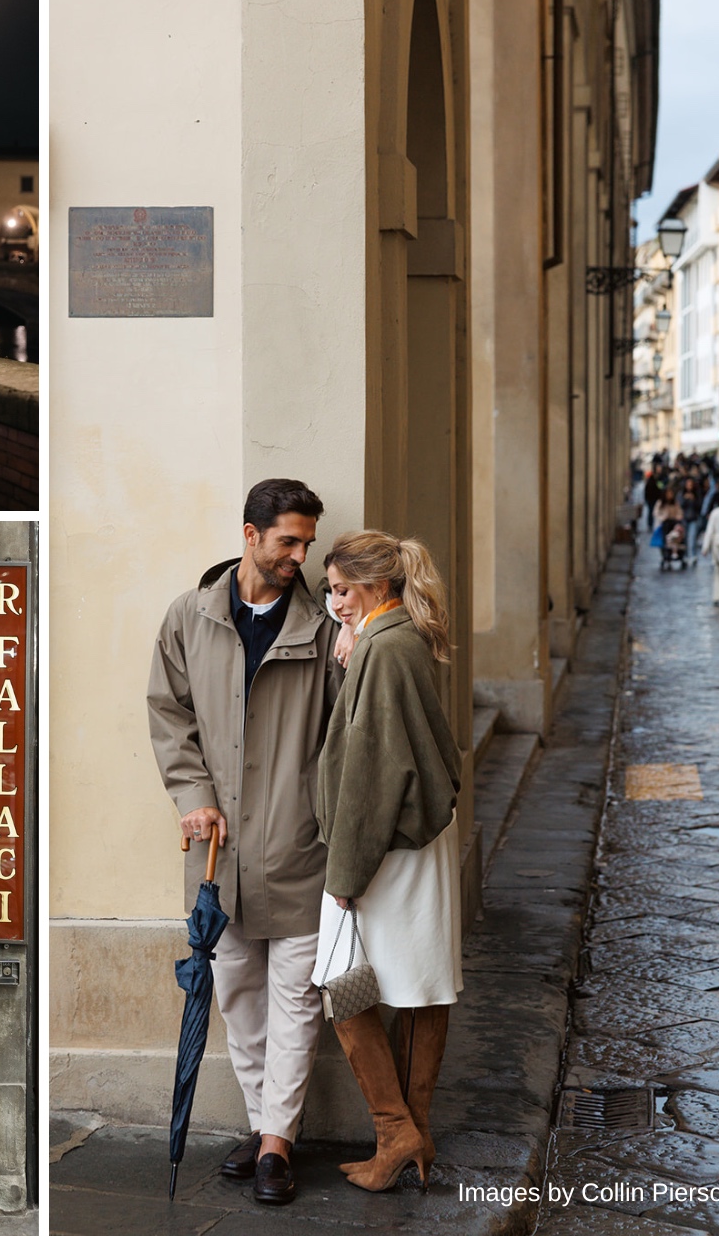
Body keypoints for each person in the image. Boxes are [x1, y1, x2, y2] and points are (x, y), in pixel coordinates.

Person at [149, 478, 343, 1206]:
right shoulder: (188, 617)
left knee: (297, 998)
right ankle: (268, 1125)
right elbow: (169, 715)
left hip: (301, 846)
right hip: (218, 856)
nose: (300, 556)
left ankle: (274, 1145)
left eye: (307, 544)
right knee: (235, 995)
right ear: (250, 535)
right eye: (288, 541)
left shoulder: (324, 628)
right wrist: (194, 798)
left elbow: (345, 732)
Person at [312, 532, 462, 1194]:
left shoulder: (384, 645)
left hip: (384, 845)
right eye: (330, 590)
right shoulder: (394, 637)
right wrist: (350, 653)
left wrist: (345, 875)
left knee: (340, 980)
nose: (332, 602)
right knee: (422, 981)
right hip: (415, 842)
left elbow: (372, 768)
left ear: (377, 587)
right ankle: (415, 1134)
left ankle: (396, 1132)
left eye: (342, 590)